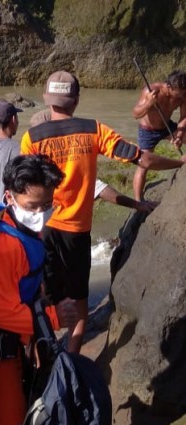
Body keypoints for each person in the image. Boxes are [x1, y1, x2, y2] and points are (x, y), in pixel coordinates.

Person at [21, 70, 186, 353]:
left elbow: (25, 188)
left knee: (41, 301)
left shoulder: (31, 137)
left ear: (48, 100)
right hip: (76, 233)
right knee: (80, 309)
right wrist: (179, 163)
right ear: (76, 100)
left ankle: (41, 359)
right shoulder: (93, 129)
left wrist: (135, 203)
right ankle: (71, 361)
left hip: (40, 232)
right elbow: (141, 158)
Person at [0, 154, 79, 425]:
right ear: (9, 197)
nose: (41, 213)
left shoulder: (14, 223)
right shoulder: (3, 246)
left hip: (9, 341)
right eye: (33, 207)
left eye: (47, 205)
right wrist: (53, 318)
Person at [31, 109, 158, 214]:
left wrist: (136, 205)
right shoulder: (66, 165)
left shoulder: (32, 165)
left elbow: (99, 188)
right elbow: (100, 189)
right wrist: (137, 205)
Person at [131, 70, 186, 200]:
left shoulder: (183, 95)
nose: (183, 96)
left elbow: (184, 116)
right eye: (180, 93)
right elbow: (135, 114)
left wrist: (179, 134)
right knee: (143, 165)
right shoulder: (151, 91)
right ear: (169, 87)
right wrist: (148, 103)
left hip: (167, 126)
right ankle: (138, 201)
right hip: (147, 130)